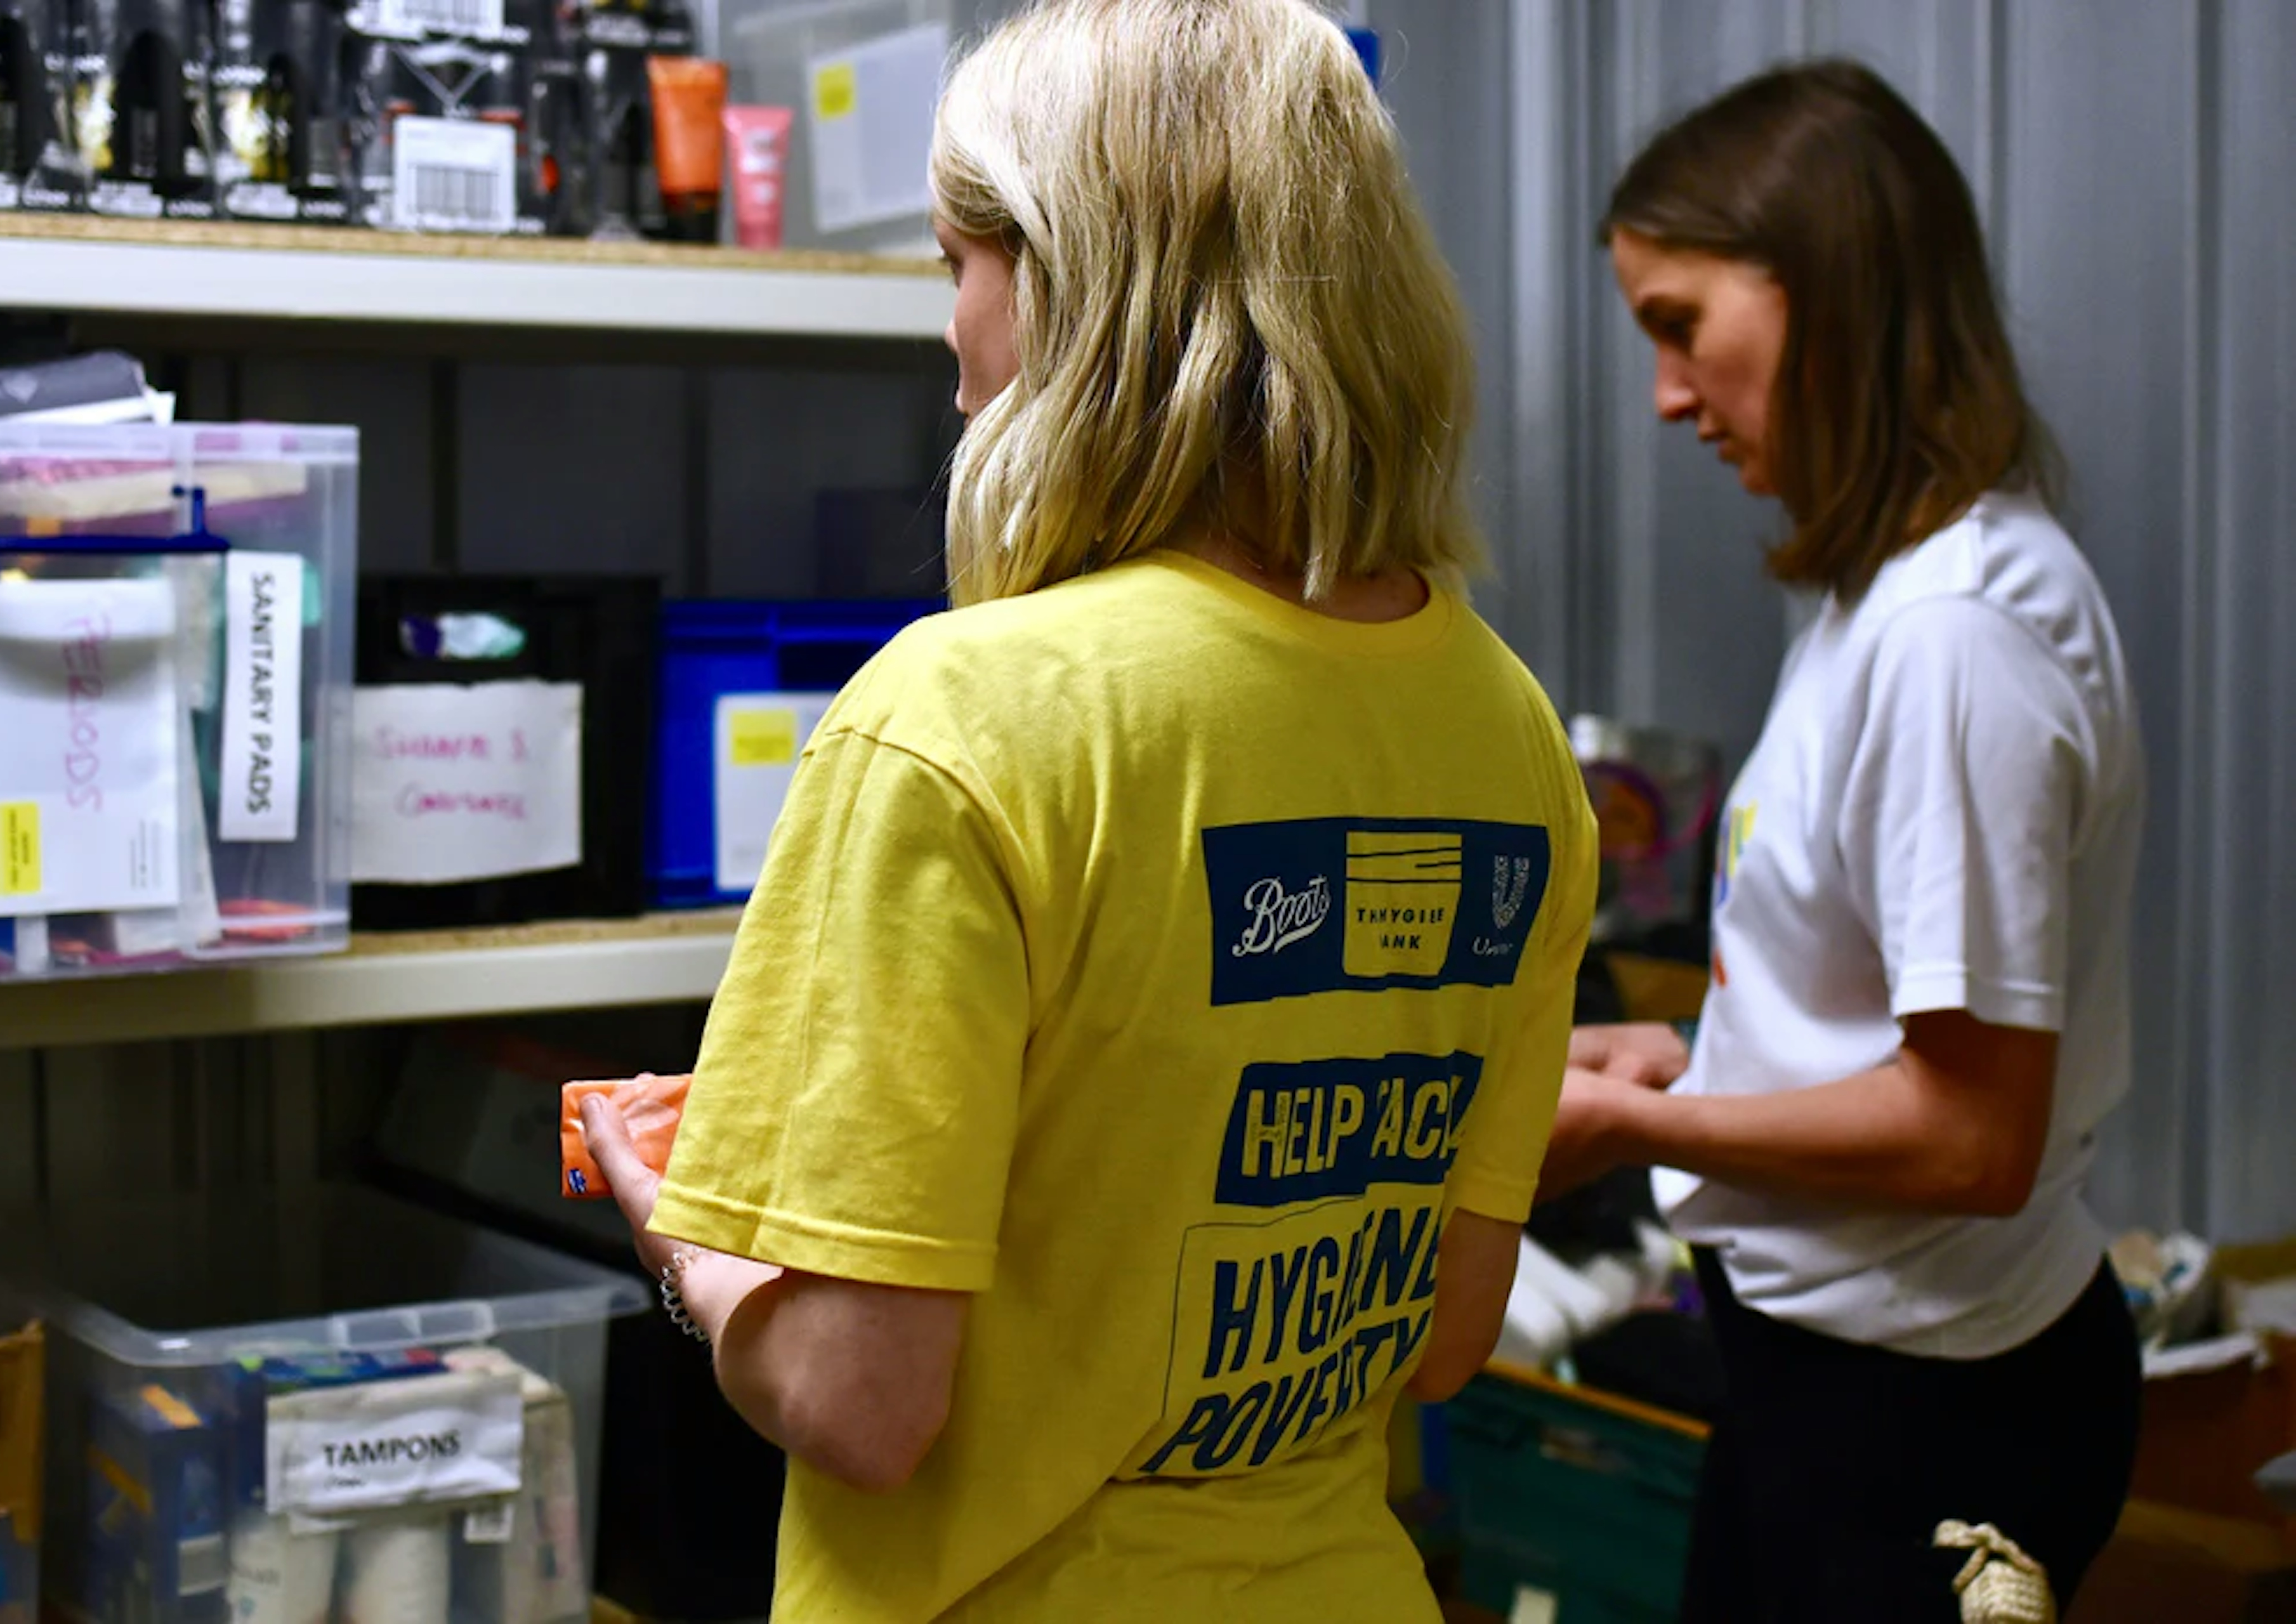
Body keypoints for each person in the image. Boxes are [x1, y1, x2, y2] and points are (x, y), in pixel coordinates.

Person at [573, 0, 1598, 1618]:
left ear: (1062, 279)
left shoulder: (960, 720)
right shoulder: (1508, 729)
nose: (956, 340)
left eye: (954, 268)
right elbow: (1449, 1333)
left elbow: (861, 1398)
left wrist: (675, 1227)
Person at [1546, 59, 2148, 1622]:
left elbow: (1970, 1132)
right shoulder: (1877, 601)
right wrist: (1688, 1056)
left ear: (1827, 290)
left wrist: (1642, 1131)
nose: (1670, 395)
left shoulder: (1956, 633)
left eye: (1682, 327)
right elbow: (1879, 1013)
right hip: (1821, 1376)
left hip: (1934, 1410)